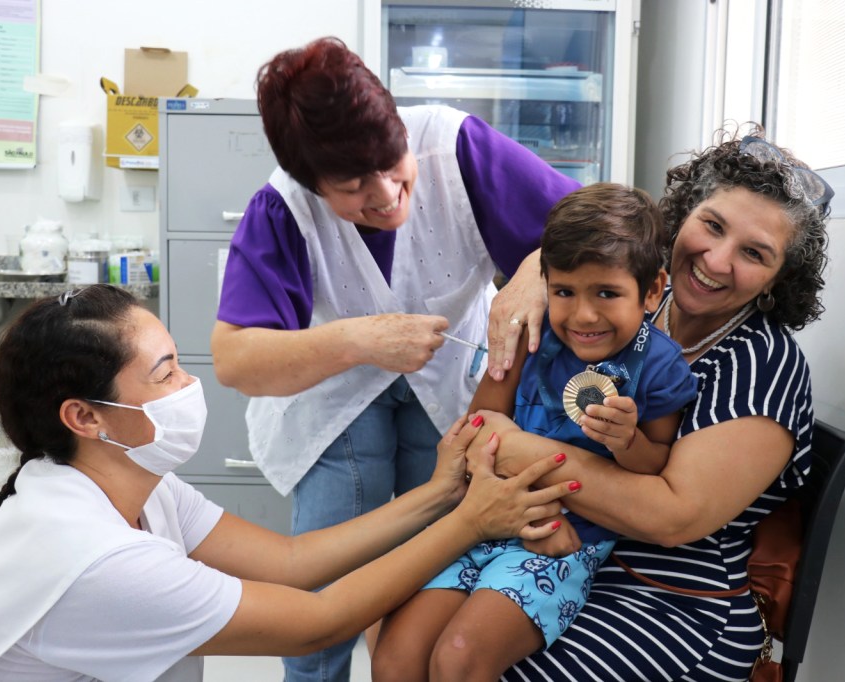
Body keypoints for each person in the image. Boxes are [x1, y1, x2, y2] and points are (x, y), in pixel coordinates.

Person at [0, 284, 577, 682]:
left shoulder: (136, 485)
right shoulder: (100, 559)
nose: (190, 385)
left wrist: (443, 491)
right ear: (85, 417)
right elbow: (319, 620)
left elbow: (292, 561)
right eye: (165, 374)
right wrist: (471, 523)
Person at [210, 36, 579, 681]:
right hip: (333, 400)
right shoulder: (283, 207)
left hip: (450, 390)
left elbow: (587, 230)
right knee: (325, 597)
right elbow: (235, 359)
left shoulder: (455, 146)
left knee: (425, 581)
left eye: (392, 164)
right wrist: (360, 340)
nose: (386, 195)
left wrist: (536, 271)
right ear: (311, 184)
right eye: (353, 187)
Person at [436, 129, 832, 681]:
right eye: (713, 226)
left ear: (778, 278)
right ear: (683, 214)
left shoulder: (764, 366)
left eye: (753, 253)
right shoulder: (635, 299)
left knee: (472, 663)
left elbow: (671, 516)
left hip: (671, 598)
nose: (717, 260)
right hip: (557, 546)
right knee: (400, 629)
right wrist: (534, 270)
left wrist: (515, 447)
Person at [372, 183, 699, 680]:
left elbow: (656, 465)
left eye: (607, 293)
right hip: (484, 519)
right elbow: (478, 429)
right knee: (395, 657)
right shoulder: (531, 335)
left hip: (565, 545)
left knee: (458, 657)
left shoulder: (658, 367)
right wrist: (534, 511)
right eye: (564, 292)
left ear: (652, 290)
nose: (583, 315)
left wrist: (627, 442)